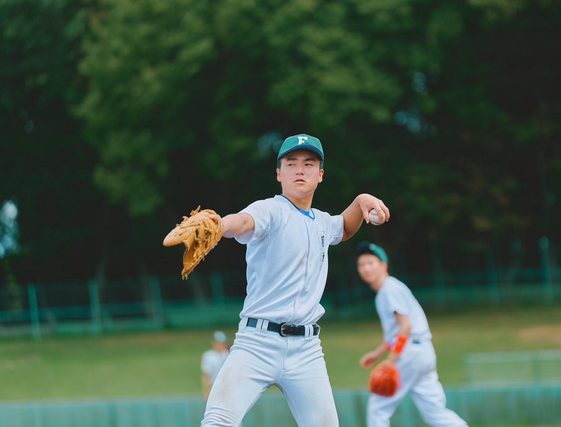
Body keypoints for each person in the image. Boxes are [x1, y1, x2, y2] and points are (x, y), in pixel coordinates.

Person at [200, 134, 390, 427]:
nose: (300, 170)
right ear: (279, 173)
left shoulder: (322, 222)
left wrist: (361, 200)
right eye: (291, 163)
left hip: (306, 349)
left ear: (320, 174)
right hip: (257, 342)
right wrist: (219, 225)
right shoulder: (269, 209)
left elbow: (344, 227)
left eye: (309, 164)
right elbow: (242, 221)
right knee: (218, 421)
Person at [356, 242, 468, 427]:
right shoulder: (390, 288)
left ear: (384, 265)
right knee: (435, 413)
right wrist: (377, 354)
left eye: (370, 263)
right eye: (361, 264)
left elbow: (406, 327)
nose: (366, 268)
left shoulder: (389, 289)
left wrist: (391, 360)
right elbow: (396, 332)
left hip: (409, 352)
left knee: (378, 408)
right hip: (423, 352)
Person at [201, 331, 230, 401]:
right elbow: (206, 375)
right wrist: (206, 392)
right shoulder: (208, 356)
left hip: (228, 388)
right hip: (213, 388)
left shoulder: (228, 354)